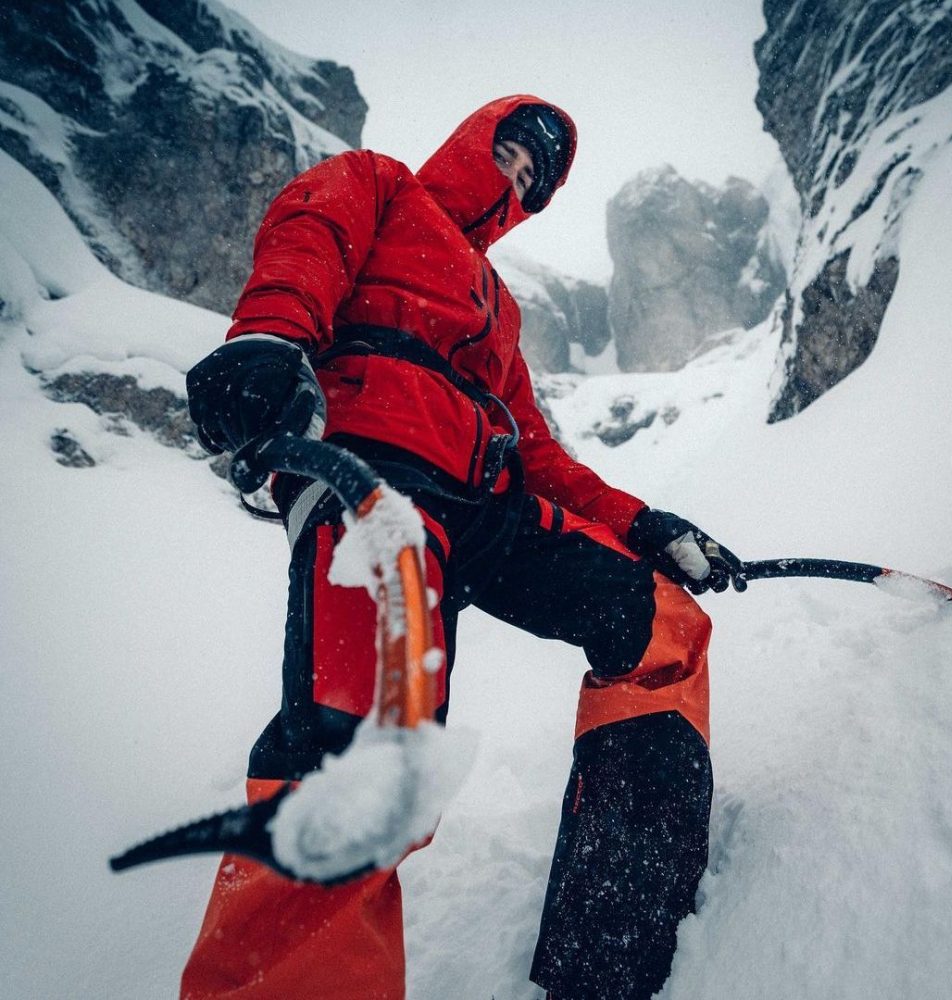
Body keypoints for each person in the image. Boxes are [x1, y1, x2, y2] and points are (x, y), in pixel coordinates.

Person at [182, 94, 745, 1000]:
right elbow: (307, 235)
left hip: (489, 505)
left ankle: (615, 936)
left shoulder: (501, 313)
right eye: (512, 155)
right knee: (360, 755)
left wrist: (646, 526)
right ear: (474, 141)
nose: (516, 181)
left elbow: (540, 454)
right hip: (373, 473)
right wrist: (269, 338)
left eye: (533, 180)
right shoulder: (379, 187)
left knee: (657, 622)